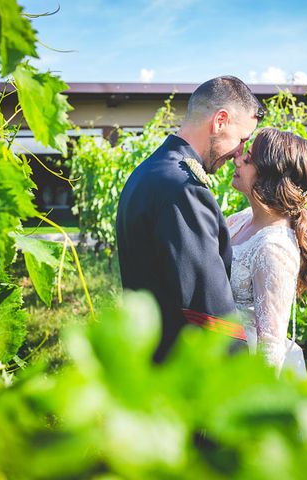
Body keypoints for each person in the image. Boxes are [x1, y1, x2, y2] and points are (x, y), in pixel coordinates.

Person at [116, 76, 264, 361]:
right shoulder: (182, 189)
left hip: (148, 353)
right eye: (242, 139)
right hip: (179, 370)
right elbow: (208, 308)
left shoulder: (150, 170)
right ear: (220, 121)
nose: (239, 154)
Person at [227, 128, 307, 376]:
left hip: (244, 369)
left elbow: (270, 346)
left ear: (269, 174)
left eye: (247, 159)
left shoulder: (274, 248)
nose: (237, 160)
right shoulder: (240, 220)